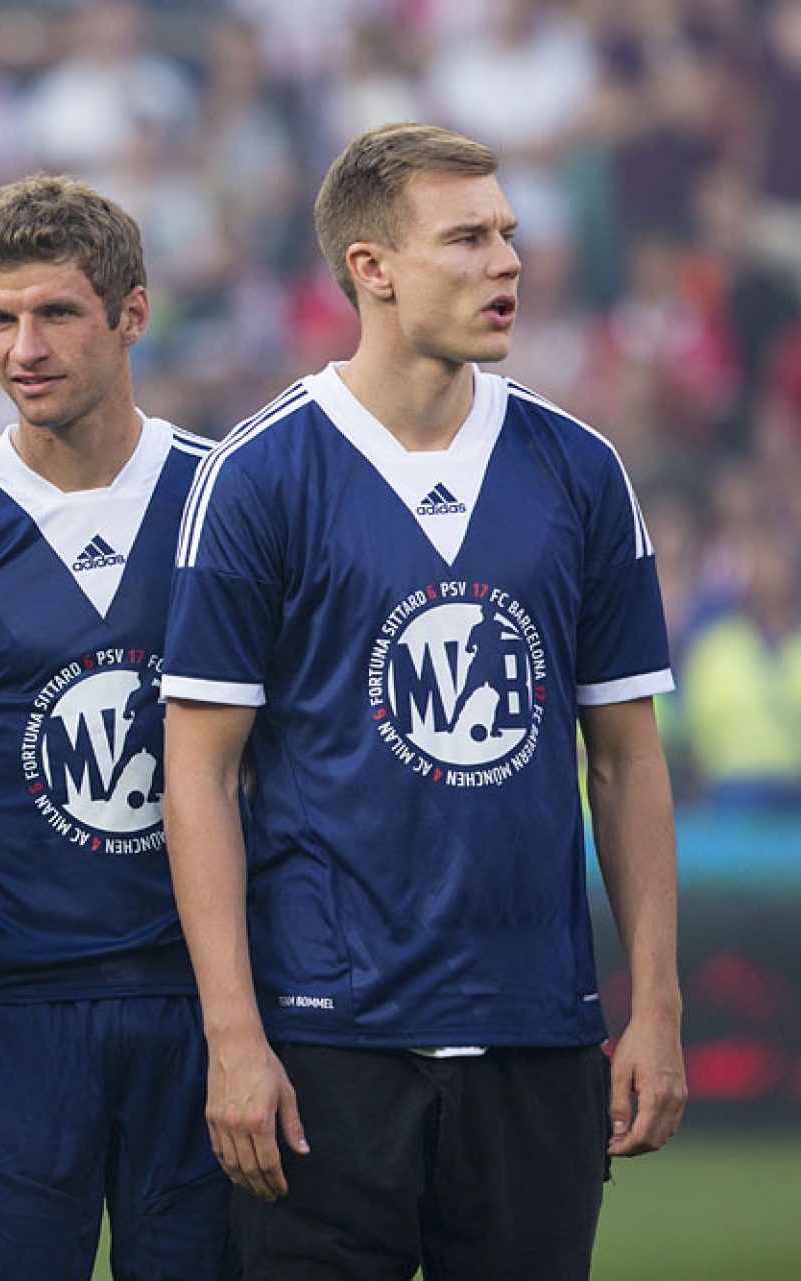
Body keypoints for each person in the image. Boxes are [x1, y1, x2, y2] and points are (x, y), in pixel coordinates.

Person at [161, 123, 686, 1278]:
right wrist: (234, 1035)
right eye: (467, 238)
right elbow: (196, 773)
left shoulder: (583, 469)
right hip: (325, 1047)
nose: (508, 261)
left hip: (539, 1036)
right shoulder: (257, 475)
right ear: (373, 268)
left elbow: (627, 760)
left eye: (508, 233)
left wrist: (657, 1005)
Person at [0, 175, 232, 1279]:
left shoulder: (236, 501)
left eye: (56, 312)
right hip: (13, 1009)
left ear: (132, 313)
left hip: (209, 1005)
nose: (25, 349)